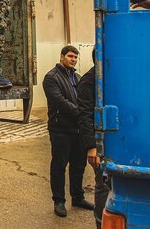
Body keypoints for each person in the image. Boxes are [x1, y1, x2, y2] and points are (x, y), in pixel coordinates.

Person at [42, 45, 93, 217]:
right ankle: (59, 201)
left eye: (75, 57)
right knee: (59, 166)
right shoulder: (51, 78)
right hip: (60, 129)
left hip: (77, 129)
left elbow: (83, 98)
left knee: (79, 166)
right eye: (70, 56)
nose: (73, 59)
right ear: (62, 57)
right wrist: (82, 112)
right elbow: (59, 101)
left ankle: (78, 197)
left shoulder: (78, 77)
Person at [77, 48, 110, 229]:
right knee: (103, 184)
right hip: (100, 143)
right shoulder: (89, 81)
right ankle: (100, 223)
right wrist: (92, 147)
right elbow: (84, 116)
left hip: (115, 139)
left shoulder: (110, 77)